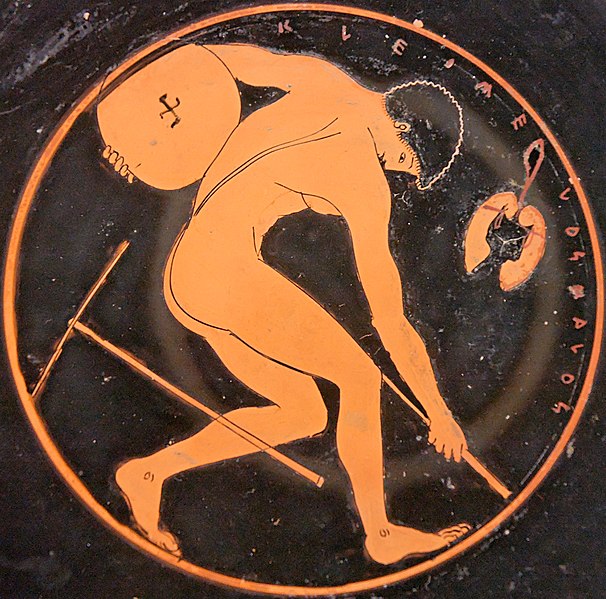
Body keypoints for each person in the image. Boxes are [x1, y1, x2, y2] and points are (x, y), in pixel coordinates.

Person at [97, 43, 470, 565]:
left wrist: (132, 130)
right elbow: (389, 318)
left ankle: (149, 472)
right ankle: (381, 535)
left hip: (189, 273)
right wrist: (439, 412)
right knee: (360, 378)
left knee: (303, 413)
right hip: (221, 275)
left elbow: (209, 60)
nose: (396, 172)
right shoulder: (363, 178)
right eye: (405, 163)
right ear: (403, 130)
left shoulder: (324, 79)